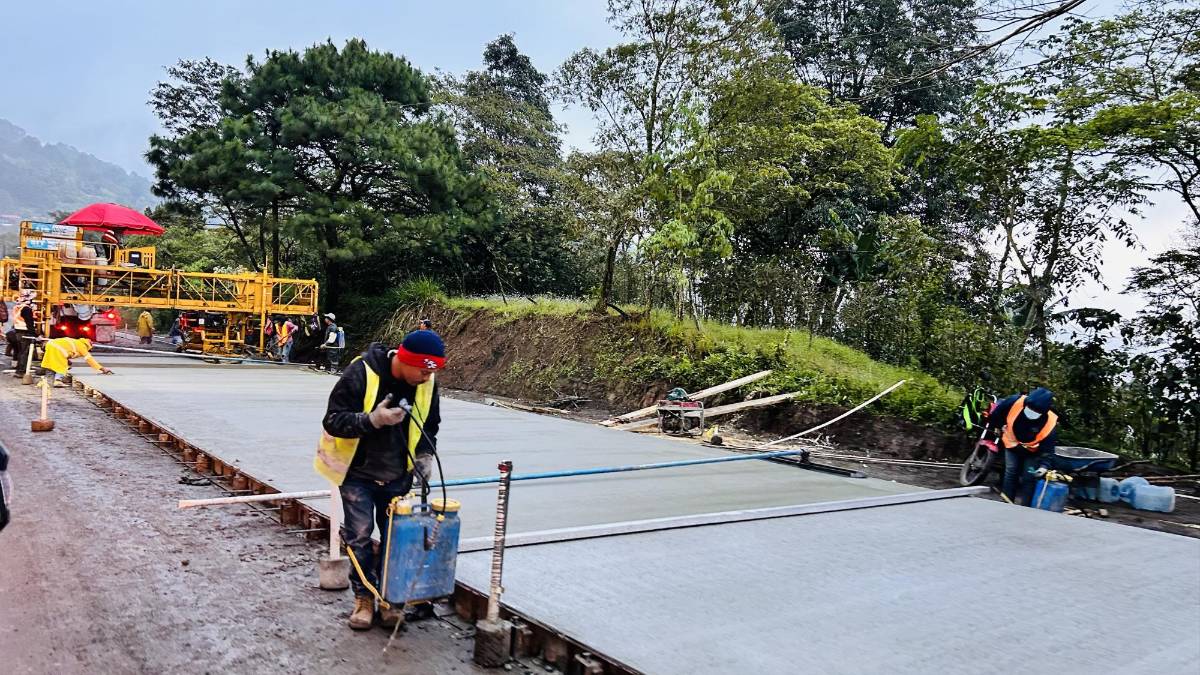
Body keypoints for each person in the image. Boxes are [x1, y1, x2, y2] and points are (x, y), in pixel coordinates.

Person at [315, 329, 446, 631]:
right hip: (357, 473)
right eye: (423, 370)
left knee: (395, 542)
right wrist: (371, 420)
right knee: (359, 538)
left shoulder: (427, 384)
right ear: (404, 359)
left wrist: (425, 456)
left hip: (398, 476)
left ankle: (390, 600)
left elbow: (431, 425)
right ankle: (364, 598)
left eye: (432, 371)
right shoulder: (362, 372)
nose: (427, 378)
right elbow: (333, 420)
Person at [986, 387, 1059, 506]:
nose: (1031, 412)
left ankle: (1025, 507)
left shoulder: (1049, 422)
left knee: (1029, 477)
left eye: (1035, 411)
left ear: (1043, 412)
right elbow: (995, 415)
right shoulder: (1014, 402)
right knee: (1011, 472)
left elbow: (1048, 447)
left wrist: (1044, 466)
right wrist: (1000, 425)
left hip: (1032, 452)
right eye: (1029, 408)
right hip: (1011, 444)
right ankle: (1007, 502)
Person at [40, 337, 113, 386]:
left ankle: (46, 375)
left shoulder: (76, 341)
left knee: (50, 361)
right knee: (61, 365)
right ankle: (58, 381)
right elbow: (90, 359)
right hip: (58, 349)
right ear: (89, 345)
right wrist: (102, 369)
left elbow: (67, 348)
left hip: (50, 344)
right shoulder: (82, 346)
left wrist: (67, 360)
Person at [9, 290, 39, 377]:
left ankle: (19, 369)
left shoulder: (18, 307)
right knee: (24, 352)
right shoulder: (26, 309)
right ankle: (21, 371)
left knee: (20, 351)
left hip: (18, 331)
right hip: (25, 333)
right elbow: (29, 322)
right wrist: (33, 334)